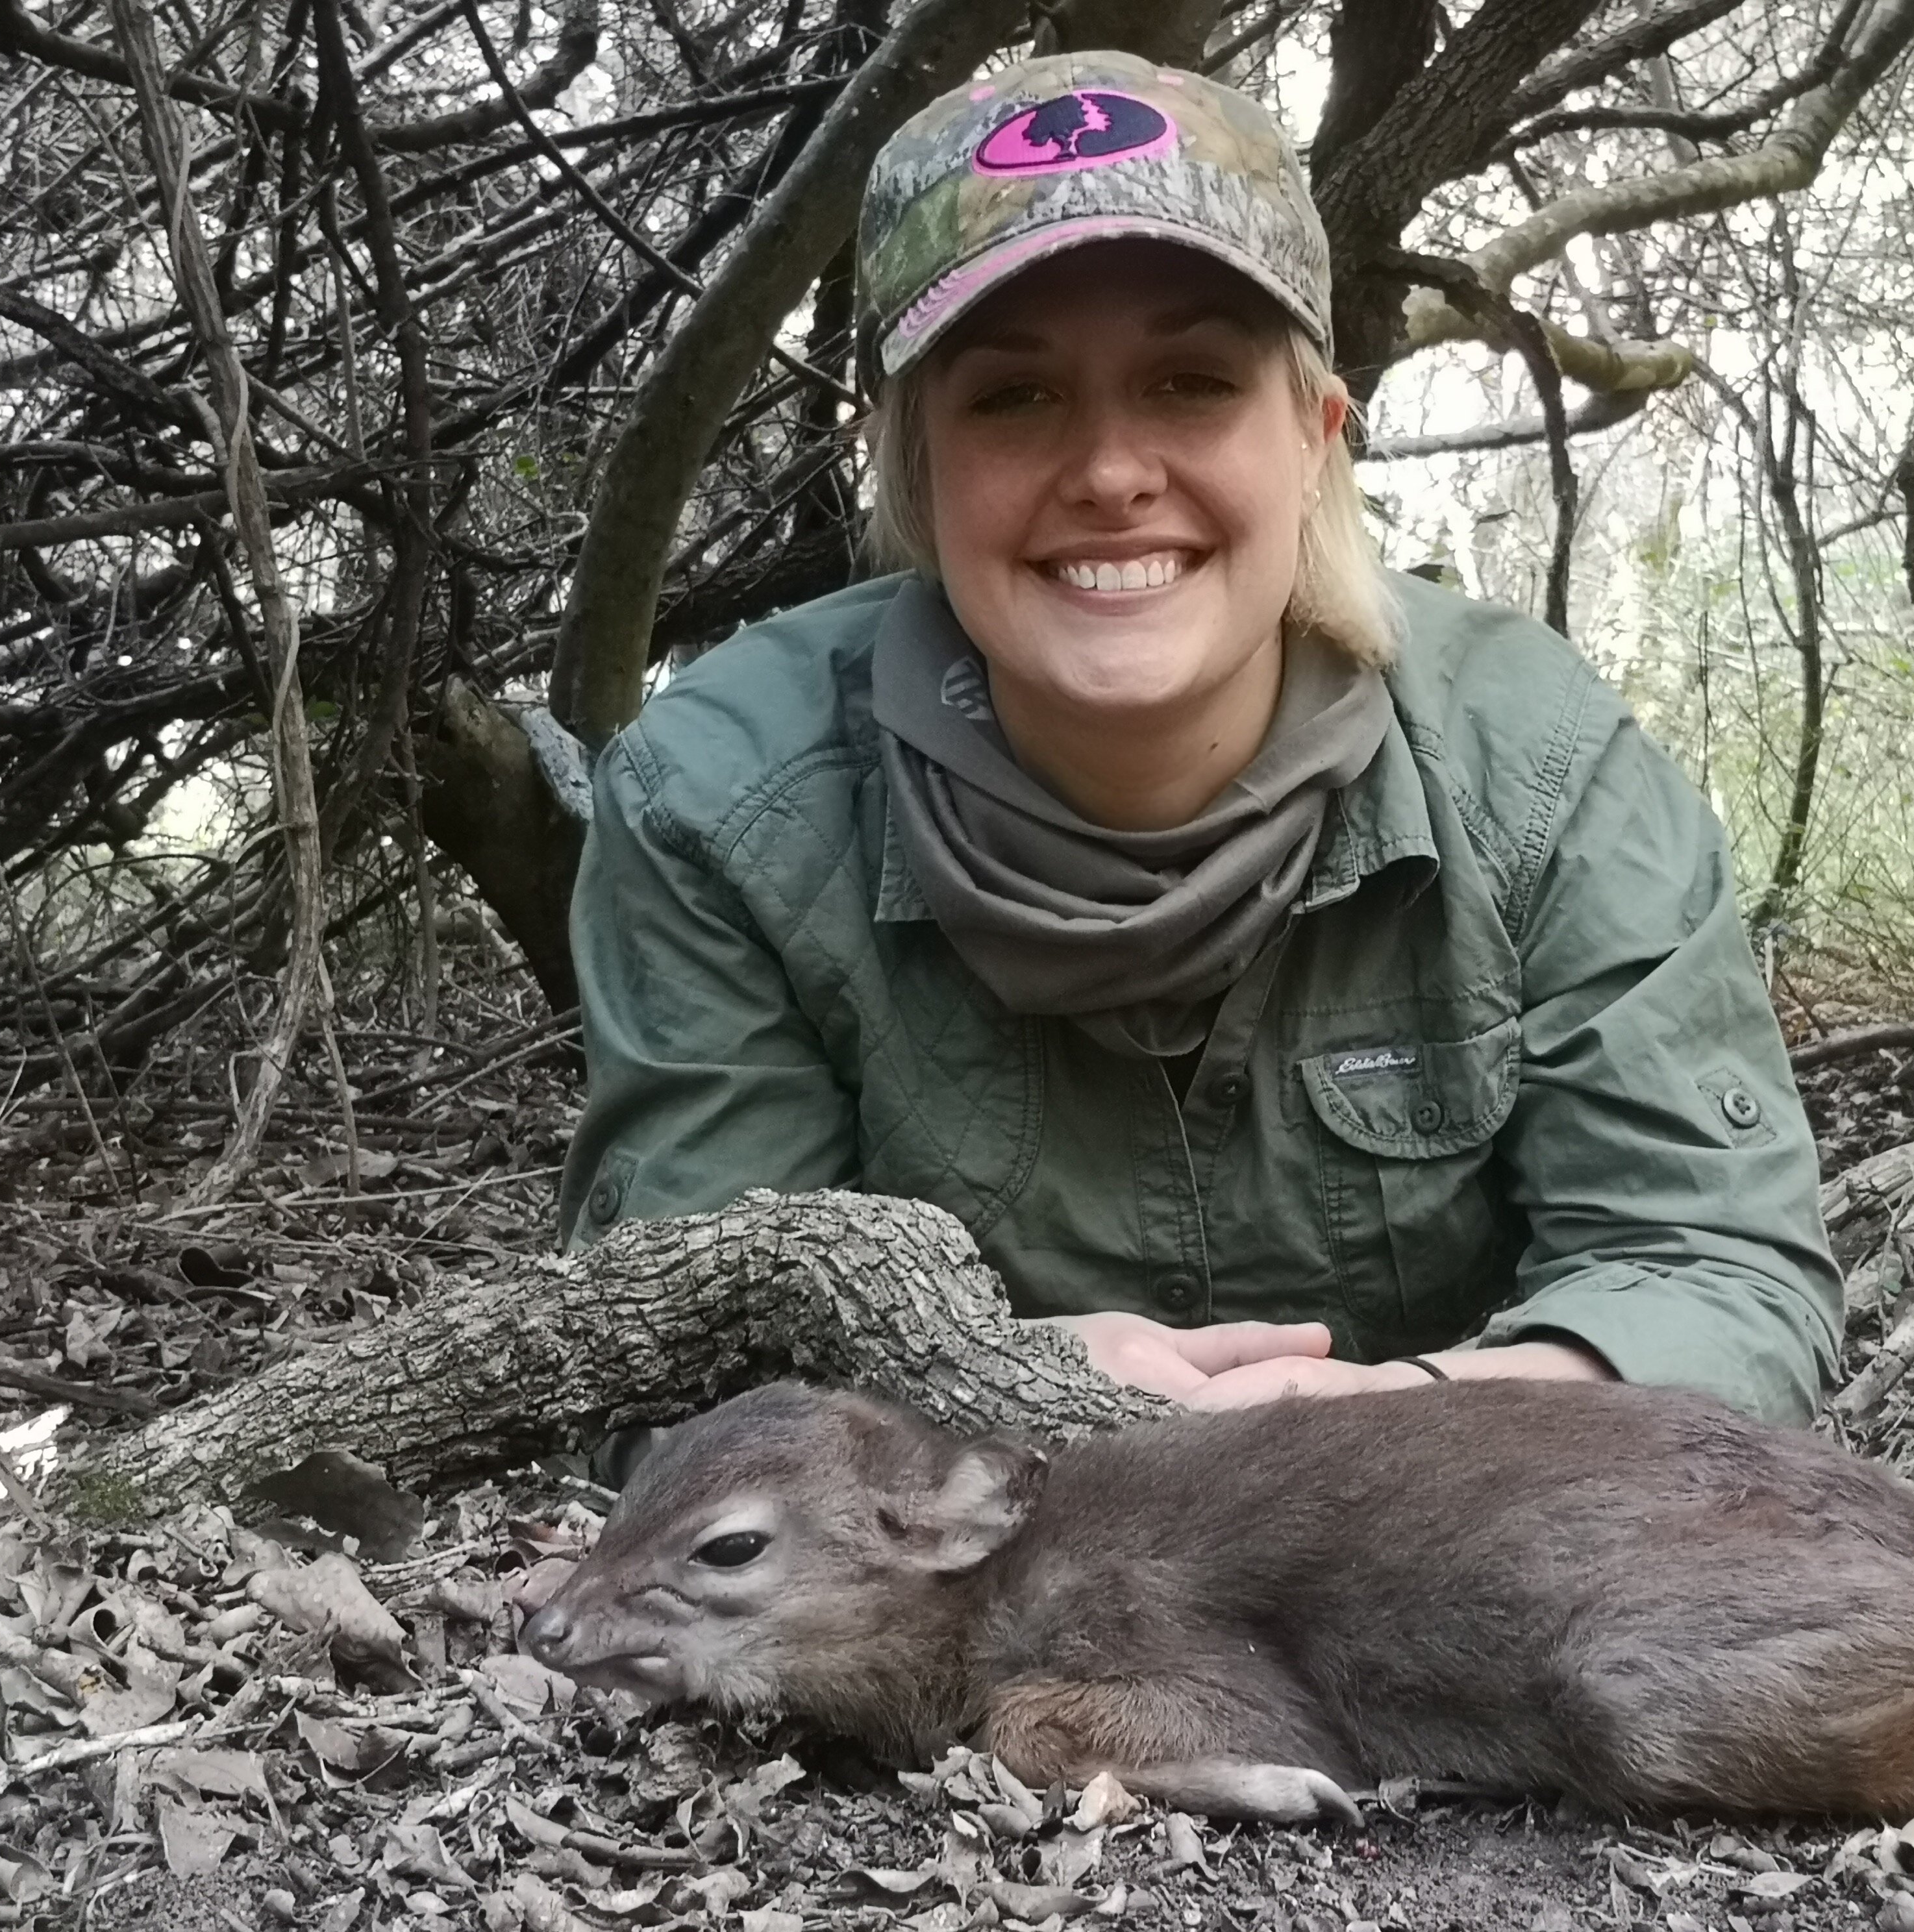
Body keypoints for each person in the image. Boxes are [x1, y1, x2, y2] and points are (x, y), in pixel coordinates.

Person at [557, 50, 1844, 1422]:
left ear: (1315, 436)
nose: (1112, 472)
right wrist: (999, 1399)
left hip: (1468, 1564)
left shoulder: (1533, 764)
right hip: (963, 1588)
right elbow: (670, 1368)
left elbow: (1719, 1275)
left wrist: (1372, 1433)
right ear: (917, 468)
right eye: (1015, 396)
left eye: (1190, 382)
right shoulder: (718, 805)